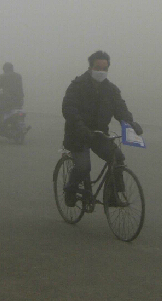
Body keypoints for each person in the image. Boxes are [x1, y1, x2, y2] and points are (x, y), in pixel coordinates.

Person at [61, 50, 143, 207]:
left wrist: (130, 123)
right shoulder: (77, 86)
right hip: (78, 134)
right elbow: (68, 109)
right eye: (98, 68)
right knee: (84, 167)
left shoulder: (111, 89)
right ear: (90, 67)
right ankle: (70, 189)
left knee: (118, 158)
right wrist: (82, 128)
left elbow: (120, 108)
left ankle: (112, 195)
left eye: (104, 69)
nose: (101, 71)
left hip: (99, 134)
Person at [0, 62, 24, 132]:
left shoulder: (3, 76)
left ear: (5, 69)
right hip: (19, 101)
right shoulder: (18, 76)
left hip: (7, 101)